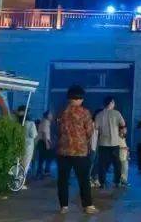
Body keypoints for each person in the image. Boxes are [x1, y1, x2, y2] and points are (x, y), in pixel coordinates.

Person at [56, 85, 97, 214]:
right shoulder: (85, 112)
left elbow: (57, 130)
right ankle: (88, 206)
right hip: (80, 151)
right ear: (79, 98)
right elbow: (90, 132)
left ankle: (64, 206)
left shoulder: (61, 112)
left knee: (63, 180)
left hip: (63, 151)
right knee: (84, 179)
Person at [93, 96, 127, 189]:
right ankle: (116, 181)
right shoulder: (116, 113)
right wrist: (122, 133)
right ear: (111, 103)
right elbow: (123, 125)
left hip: (102, 143)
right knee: (117, 164)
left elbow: (96, 127)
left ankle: (102, 183)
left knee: (102, 164)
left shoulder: (99, 115)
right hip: (114, 143)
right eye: (113, 102)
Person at [15, 105, 37, 189]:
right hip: (28, 147)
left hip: (18, 145)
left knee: (18, 164)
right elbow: (33, 135)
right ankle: (20, 184)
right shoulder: (30, 123)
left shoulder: (16, 123)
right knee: (25, 165)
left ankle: (15, 181)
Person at [35, 110, 54, 179]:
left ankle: (41, 172)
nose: (52, 116)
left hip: (43, 142)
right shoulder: (45, 122)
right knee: (47, 157)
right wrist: (47, 144)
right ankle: (44, 172)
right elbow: (44, 133)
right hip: (43, 142)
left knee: (42, 158)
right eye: (51, 114)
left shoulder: (45, 121)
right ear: (48, 115)